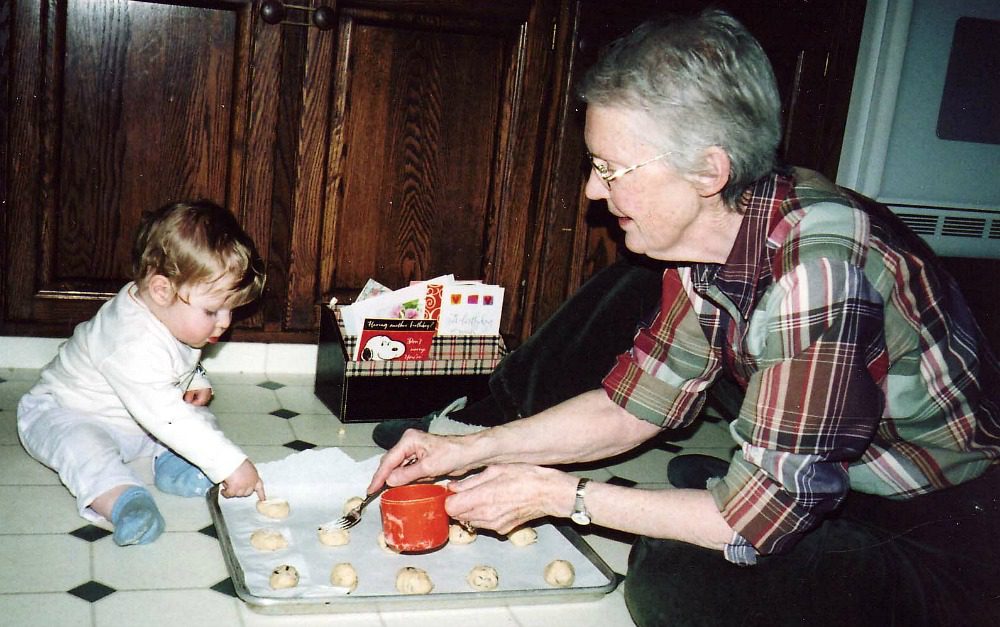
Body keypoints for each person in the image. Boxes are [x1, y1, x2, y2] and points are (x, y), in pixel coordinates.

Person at [368, 9, 1000, 626]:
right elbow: (632, 407)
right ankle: (767, 475)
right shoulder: (716, 239)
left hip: (947, 527)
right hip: (854, 480)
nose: (592, 190)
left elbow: (754, 522)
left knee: (674, 581)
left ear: (708, 172)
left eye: (611, 169)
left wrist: (563, 496)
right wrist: (467, 449)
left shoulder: (817, 274)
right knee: (687, 526)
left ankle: (781, 492)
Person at [17, 200, 268, 546]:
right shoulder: (129, 340)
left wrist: (195, 378)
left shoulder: (164, 308)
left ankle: (172, 463)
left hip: (140, 416)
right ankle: (123, 500)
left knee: (193, 415)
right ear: (162, 289)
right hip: (69, 412)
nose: (225, 322)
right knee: (84, 449)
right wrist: (229, 464)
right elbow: (162, 409)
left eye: (230, 309)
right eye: (213, 310)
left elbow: (172, 361)